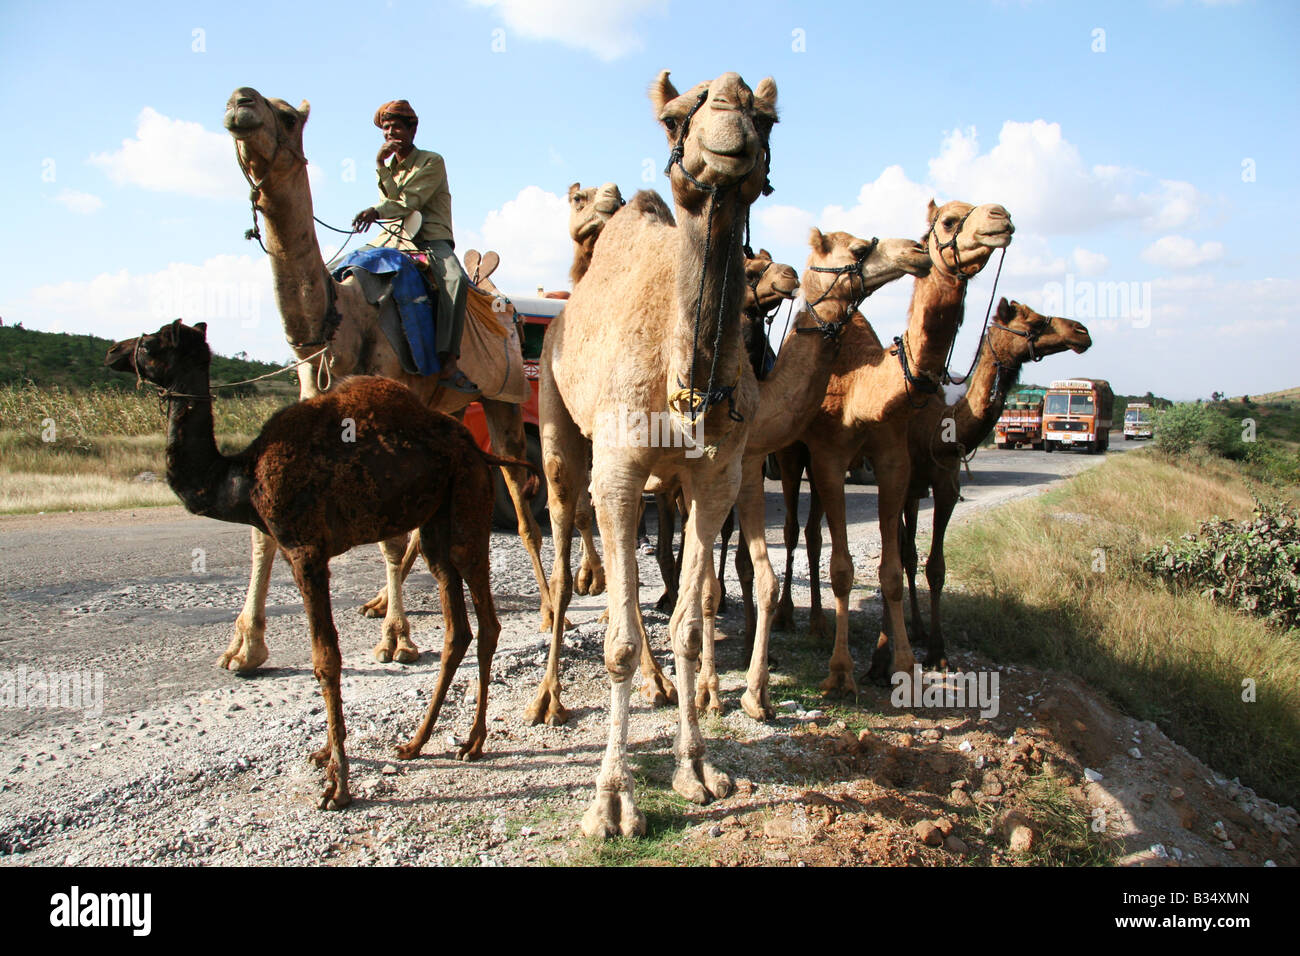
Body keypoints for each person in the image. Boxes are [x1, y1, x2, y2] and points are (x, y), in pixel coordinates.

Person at [352, 99, 477, 393]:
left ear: (413, 129)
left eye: (396, 126)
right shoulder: (391, 167)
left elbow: (408, 203)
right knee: (348, 267)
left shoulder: (432, 161)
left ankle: (448, 360)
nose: (390, 133)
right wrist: (381, 167)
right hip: (394, 238)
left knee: (454, 280)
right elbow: (392, 200)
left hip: (430, 239)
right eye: (385, 128)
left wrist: (376, 210)